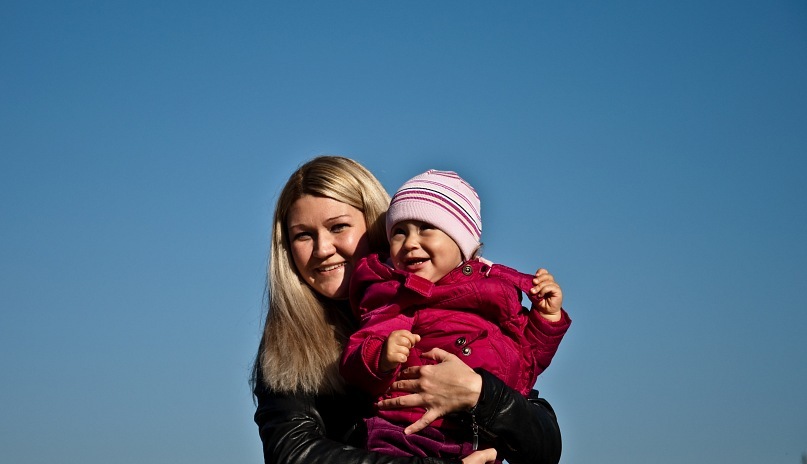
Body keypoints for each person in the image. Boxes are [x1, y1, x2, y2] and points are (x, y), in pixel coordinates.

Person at [252, 155, 566, 464]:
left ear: (376, 226)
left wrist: (479, 393)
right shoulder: (288, 338)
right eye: (303, 235)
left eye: (338, 227)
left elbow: (543, 442)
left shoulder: (444, 297)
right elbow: (293, 453)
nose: (322, 249)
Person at [339, 169, 571, 462]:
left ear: (462, 242)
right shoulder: (399, 295)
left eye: (426, 228)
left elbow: (527, 361)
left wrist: (546, 319)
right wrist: (380, 356)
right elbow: (357, 356)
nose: (410, 242)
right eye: (399, 231)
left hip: (477, 437)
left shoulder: (499, 296)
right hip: (408, 435)